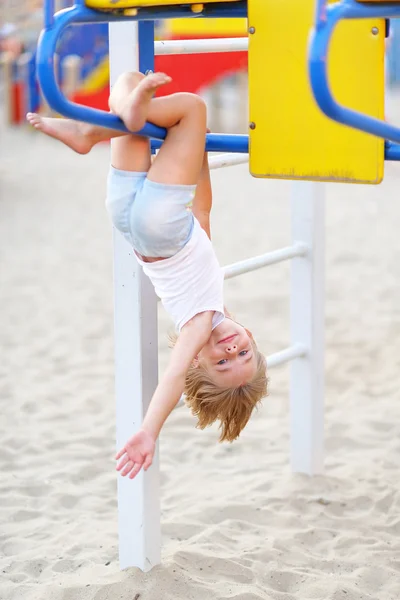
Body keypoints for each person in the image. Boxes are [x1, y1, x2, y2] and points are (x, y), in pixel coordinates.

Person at [26, 71, 268, 480]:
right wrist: (200, 156)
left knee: (191, 107)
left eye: (222, 363)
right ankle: (89, 133)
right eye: (243, 353)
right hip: (127, 220)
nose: (231, 349)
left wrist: (148, 432)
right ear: (252, 337)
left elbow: (172, 377)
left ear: (197, 360)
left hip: (163, 225)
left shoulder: (199, 321)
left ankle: (95, 127)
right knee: (127, 81)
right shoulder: (206, 298)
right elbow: (204, 214)